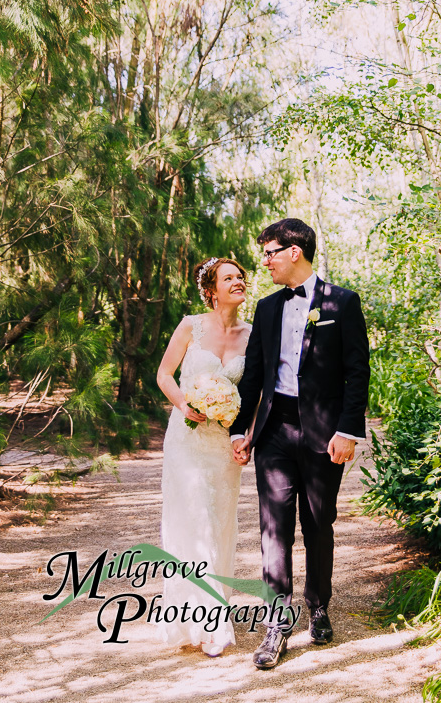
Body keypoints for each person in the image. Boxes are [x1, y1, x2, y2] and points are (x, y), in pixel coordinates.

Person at [230, 218, 369, 670]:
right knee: (274, 528)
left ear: (295, 252)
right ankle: (277, 623)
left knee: (318, 523)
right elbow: (255, 373)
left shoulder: (342, 303)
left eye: (270, 252)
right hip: (273, 431)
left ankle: (320, 607)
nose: (264, 261)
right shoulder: (267, 309)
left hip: (325, 433)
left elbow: (357, 372)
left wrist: (347, 432)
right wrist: (239, 428)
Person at [157, 257, 251, 657]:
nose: (238, 281)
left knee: (220, 526)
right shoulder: (190, 325)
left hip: (224, 445)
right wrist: (184, 404)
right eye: (228, 277)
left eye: (241, 277)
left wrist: (246, 434)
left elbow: (258, 391)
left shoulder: (253, 333)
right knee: (192, 525)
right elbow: (164, 374)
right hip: (187, 441)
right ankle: (206, 626)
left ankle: (211, 616)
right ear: (211, 290)